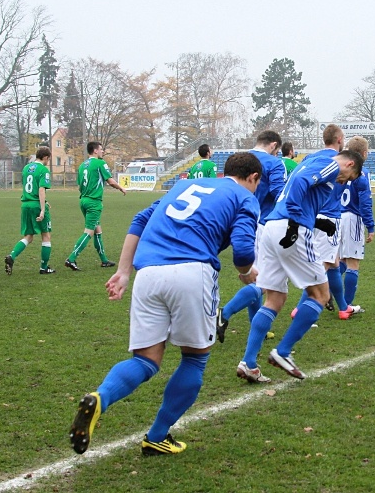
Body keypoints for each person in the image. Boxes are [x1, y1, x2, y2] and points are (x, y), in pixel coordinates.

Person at [68, 152, 263, 456]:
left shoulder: (183, 186)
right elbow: (242, 251)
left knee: (146, 360)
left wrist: (122, 271)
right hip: (191, 273)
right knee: (195, 360)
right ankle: (157, 435)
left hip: (147, 273)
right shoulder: (245, 197)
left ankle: (100, 398)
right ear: (253, 179)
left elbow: (140, 219)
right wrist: (247, 273)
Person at [236, 149, 363, 383]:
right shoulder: (332, 166)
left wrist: (319, 224)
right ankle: (282, 352)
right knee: (320, 295)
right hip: (289, 227)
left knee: (274, 299)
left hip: (272, 226)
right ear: (350, 164)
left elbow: (298, 193)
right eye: (350, 177)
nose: (345, 182)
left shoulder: (312, 162)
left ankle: (249, 363)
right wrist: (295, 220)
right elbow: (302, 185)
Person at [216, 130, 286, 341]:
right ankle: (223, 314)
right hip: (265, 224)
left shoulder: (241, 160)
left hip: (242, 223)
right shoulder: (274, 163)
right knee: (263, 282)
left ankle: (258, 327)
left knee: (255, 276)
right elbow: (280, 193)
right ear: (274, 145)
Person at [290, 125, 362, 320]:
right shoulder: (337, 163)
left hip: (311, 217)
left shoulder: (311, 158)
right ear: (339, 139)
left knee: (334, 264)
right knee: (321, 267)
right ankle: (300, 310)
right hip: (330, 217)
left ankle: (343, 307)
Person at [65, 141, 127, 271]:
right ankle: (71, 258)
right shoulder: (100, 163)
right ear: (95, 151)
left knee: (98, 230)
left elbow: (79, 186)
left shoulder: (82, 166)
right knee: (89, 232)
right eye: (101, 149)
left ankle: (104, 260)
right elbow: (110, 181)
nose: (102, 151)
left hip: (83, 200)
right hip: (94, 202)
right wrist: (121, 187)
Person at [4, 147, 55, 275]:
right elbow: (41, 189)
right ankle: (44, 267)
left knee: (29, 236)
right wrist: (43, 209)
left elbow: (29, 188)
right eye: (48, 159)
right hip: (36, 205)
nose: (48, 161)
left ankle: (12, 256)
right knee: (46, 235)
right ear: (45, 157)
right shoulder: (43, 170)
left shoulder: (26, 168)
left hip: (25, 204)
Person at [338, 136, 375, 306]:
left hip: (336, 217)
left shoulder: (340, 169)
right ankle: (346, 305)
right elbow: (365, 202)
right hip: (353, 218)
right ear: (364, 153)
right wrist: (371, 225)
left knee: (338, 262)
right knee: (353, 262)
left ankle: (322, 294)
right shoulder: (362, 172)